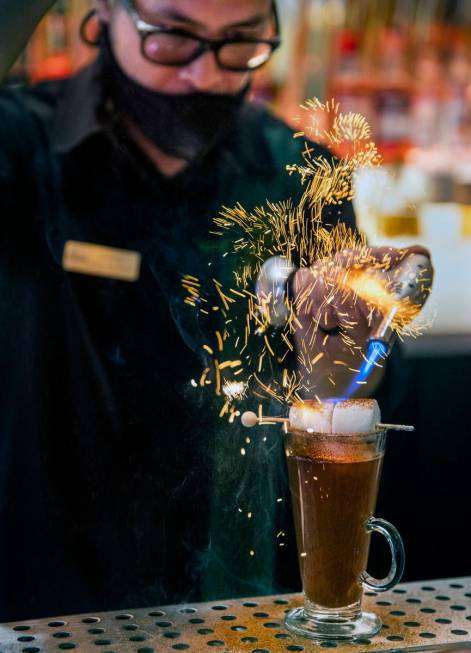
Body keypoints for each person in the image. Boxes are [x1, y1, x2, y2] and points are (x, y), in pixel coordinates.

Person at [0, 0, 429, 623]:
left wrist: (340, 375)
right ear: (105, 13)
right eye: (172, 37)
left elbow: (367, 379)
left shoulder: (298, 174)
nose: (204, 76)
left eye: (240, 42)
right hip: (45, 599)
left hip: (243, 602)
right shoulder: (19, 148)